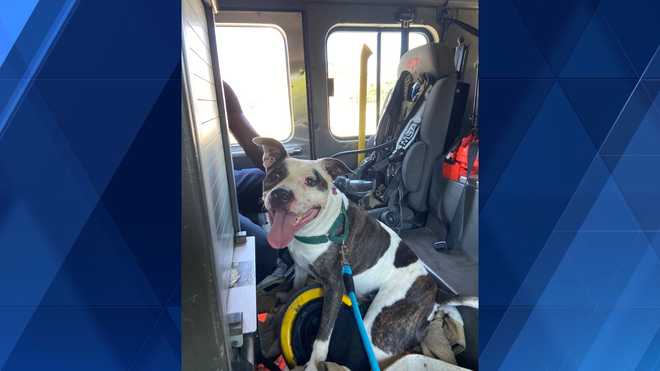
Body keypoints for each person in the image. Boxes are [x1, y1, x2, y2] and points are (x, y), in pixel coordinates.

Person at [223, 82, 289, 283]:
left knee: (268, 182)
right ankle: (256, 293)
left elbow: (236, 119)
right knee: (263, 250)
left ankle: (293, 248)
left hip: (219, 176)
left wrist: (281, 172)